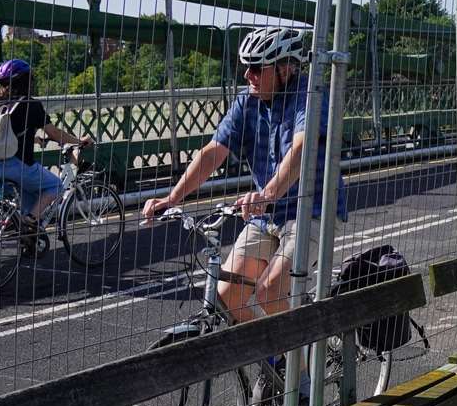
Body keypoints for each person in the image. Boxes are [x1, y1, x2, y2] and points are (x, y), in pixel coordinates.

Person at [142, 25, 343, 324]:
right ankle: (274, 360)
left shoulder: (309, 96)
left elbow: (302, 149)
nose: (248, 76)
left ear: (285, 69)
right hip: (265, 216)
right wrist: (172, 198)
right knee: (226, 296)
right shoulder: (246, 102)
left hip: (309, 211)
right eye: (246, 67)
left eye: (256, 68)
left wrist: (268, 193)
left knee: (269, 292)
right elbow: (213, 151)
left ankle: (300, 370)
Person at [0, 59, 92, 230]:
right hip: (16, 165)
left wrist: (33, 139)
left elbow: (6, 132)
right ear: (26, 81)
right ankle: (29, 222)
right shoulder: (30, 104)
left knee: (31, 201)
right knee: (55, 186)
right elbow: (54, 133)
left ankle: (22, 231)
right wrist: (80, 141)